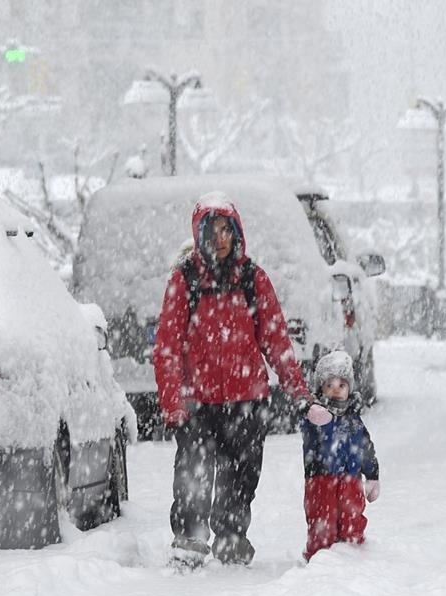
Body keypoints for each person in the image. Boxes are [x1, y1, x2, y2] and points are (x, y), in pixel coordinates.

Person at [153, 191, 331, 567]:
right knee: (193, 473)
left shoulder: (253, 279)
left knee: (241, 476)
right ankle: (189, 539)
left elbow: (277, 341)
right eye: (212, 230)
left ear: (236, 233)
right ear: (199, 234)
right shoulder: (184, 282)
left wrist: (299, 391)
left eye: (226, 230)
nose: (220, 238)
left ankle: (232, 536)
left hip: (245, 400)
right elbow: (167, 347)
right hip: (197, 402)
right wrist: (172, 402)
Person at [300, 350, 380, 561]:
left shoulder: (353, 419)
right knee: (322, 522)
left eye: (341, 385)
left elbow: (365, 447)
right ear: (321, 388)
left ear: (349, 388)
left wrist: (372, 475)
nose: (336, 391)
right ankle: (320, 559)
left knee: (352, 518)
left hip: (351, 481)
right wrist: (319, 421)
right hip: (321, 480)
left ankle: (354, 555)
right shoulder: (315, 416)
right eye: (330, 385)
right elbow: (314, 444)